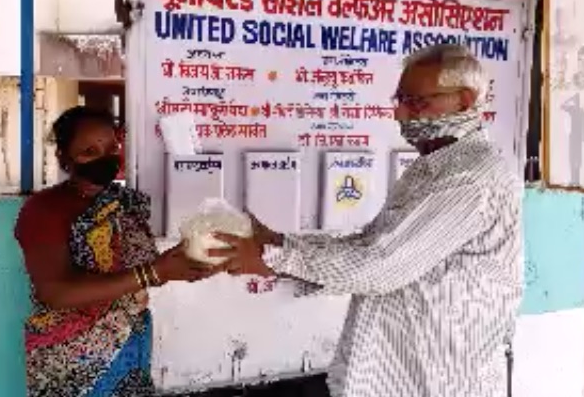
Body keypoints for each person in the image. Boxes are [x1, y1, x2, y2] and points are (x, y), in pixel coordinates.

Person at [211, 44, 524, 397]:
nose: (401, 115)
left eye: (416, 103)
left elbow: (379, 266)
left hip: (440, 382)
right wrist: (280, 244)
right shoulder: (432, 169)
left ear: (465, 101)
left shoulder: (470, 177)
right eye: (399, 102)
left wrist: (273, 259)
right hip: (394, 376)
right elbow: (371, 246)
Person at [15, 106, 213, 397]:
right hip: (74, 358)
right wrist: (155, 272)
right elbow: (55, 292)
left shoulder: (124, 203)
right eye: (89, 151)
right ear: (63, 157)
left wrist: (181, 265)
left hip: (129, 345)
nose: (104, 158)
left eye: (111, 148)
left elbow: (137, 273)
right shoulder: (46, 209)